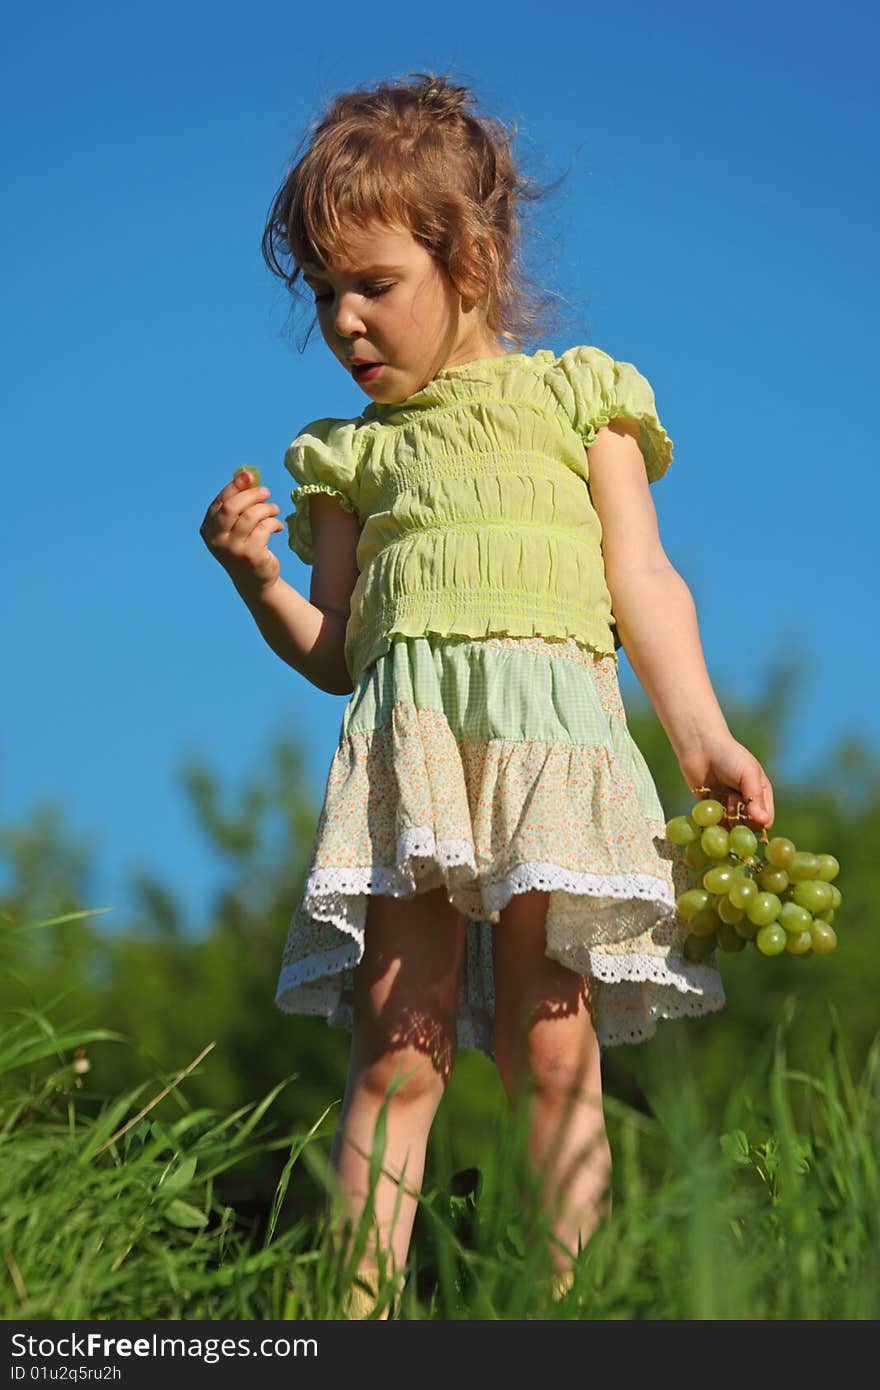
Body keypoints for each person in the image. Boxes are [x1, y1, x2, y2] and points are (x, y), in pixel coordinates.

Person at [199, 71, 775, 1318]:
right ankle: (351, 1318)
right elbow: (343, 651)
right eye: (325, 293)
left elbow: (644, 584)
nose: (346, 321)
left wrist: (703, 740)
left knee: (550, 1052)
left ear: (472, 259)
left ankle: (573, 1313)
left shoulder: (581, 401)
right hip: (415, 776)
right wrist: (259, 583)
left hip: (556, 761)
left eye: (374, 284)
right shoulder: (351, 460)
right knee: (396, 1058)